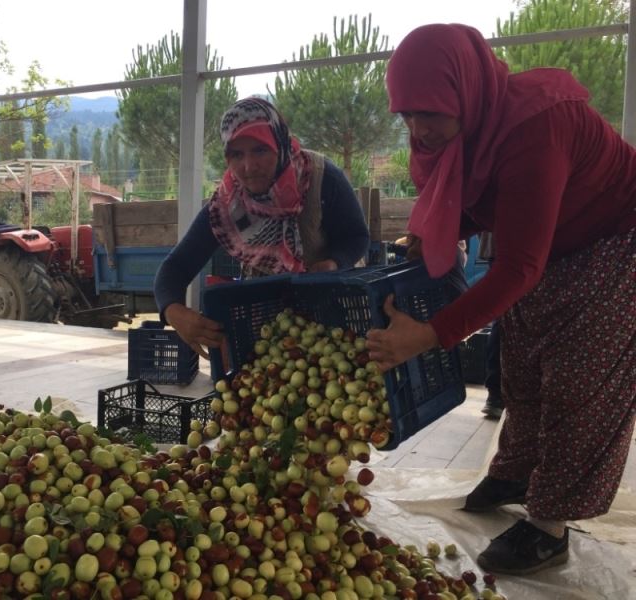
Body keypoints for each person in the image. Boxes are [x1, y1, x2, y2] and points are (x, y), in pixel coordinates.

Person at [366, 23, 636, 576]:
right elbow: (478, 198)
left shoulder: (535, 128)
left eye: (431, 113)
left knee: (578, 382)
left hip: (617, 239)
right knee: (524, 364)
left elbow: (518, 267)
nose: (418, 130)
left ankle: (549, 525)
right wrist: (439, 232)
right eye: (406, 115)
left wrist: (431, 333)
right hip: (553, 245)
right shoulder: (468, 126)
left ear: (465, 92)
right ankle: (516, 471)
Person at [154, 97, 370, 358]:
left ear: (279, 144)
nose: (248, 167)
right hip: (267, 331)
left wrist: (334, 262)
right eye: (237, 154)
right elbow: (174, 268)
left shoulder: (321, 177)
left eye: (260, 150)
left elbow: (357, 237)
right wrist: (175, 313)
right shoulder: (227, 206)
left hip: (335, 323)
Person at [477, 232, 503, 419]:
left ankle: (496, 396)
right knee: (504, 322)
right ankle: (496, 395)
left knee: (502, 321)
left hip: (497, 246)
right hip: (509, 248)